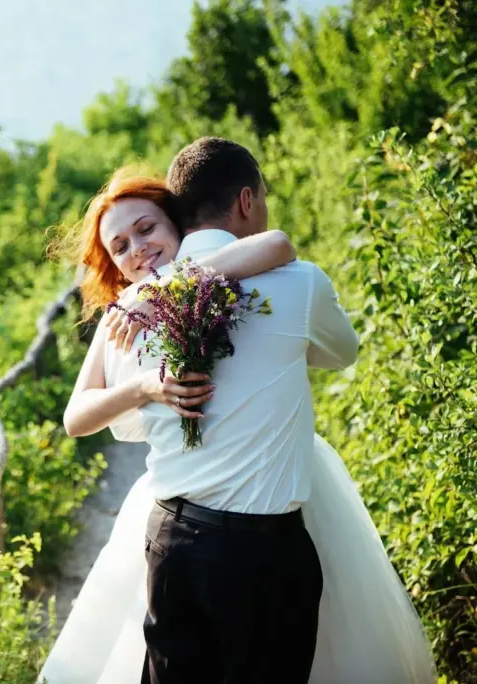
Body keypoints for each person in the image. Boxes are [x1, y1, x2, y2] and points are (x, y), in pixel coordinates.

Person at [38, 138, 435, 684]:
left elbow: (276, 244)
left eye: (147, 229)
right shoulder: (128, 313)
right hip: (246, 544)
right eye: (120, 246)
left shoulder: (146, 302)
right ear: (247, 199)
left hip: (184, 540)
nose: (138, 249)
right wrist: (146, 386)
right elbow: (339, 351)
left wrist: (165, 288)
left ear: (177, 221)